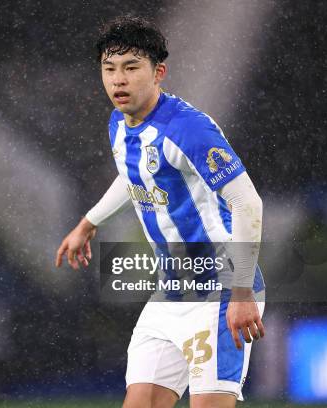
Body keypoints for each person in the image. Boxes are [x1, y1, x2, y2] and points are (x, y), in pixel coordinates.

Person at [55, 15, 266, 408]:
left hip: (221, 292)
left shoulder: (189, 130)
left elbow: (247, 202)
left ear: (159, 72)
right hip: (171, 292)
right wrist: (89, 222)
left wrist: (240, 292)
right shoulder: (119, 123)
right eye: (109, 69)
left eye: (132, 68)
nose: (119, 80)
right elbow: (133, 175)